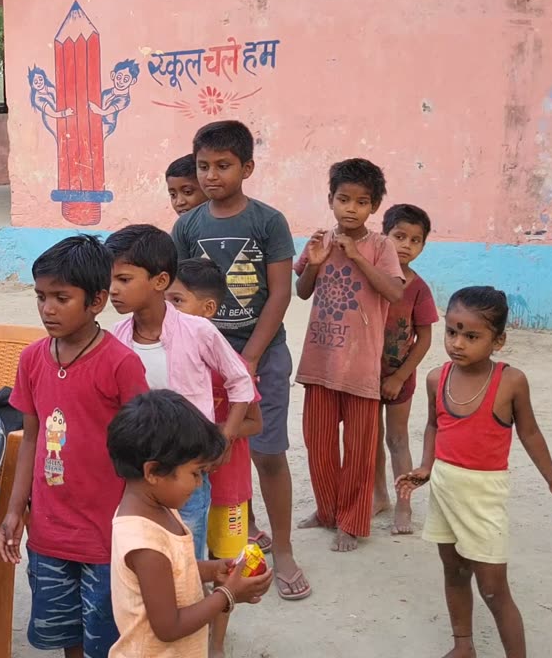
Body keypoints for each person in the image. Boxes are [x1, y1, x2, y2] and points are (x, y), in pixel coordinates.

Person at [170, 120, 310, 600]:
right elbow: (178, 293)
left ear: (246, 168)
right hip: (202, 360)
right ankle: (234, 538)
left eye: (223, 166)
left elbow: (278, 295)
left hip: (261, 355)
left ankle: (286, 550)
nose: (211, 176)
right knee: (211, 451)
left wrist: (248, 357)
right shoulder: (188, 226)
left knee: (268, 451)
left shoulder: (267, 222)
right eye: (204, 166)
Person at [397, 287, 552, 658]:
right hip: (445, 487)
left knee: (494, 589)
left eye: (472, 336)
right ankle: (463, 645)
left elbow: (529, 433)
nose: (458, 343)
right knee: (454, 570)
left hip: (483, 495)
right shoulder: (436, 378)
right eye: (452, 332)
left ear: (499, 341)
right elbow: (434, 426)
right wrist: (426, 466)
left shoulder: (510, 382)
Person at [0, 235, 149, 658]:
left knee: (108, 638)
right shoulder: (32, 359)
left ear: (97, 300)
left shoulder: (121, 364)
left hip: (106, 533)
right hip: (49, 530)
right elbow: (31, 438)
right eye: (41, 296)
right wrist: (14, 509)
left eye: (61, 297)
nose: (47, 308)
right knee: (67, 637)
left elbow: (140, 452)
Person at [104, 225, 256, 562]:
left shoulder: (198, 330)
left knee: (187, 555)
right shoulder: (115, 337)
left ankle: (190, 609)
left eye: (124, 280)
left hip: (187, 470)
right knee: (143, 551)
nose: (112, 290)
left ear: (159, 281)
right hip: (138, 472)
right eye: (110, 279)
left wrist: (225, 437)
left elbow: (240, 381)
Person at [107, 390, 273, 658]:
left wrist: (213, 570)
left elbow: (171, 570)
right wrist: (227, 594)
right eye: (195, 473)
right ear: (153, 472)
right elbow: (168, 627)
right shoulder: (145, 543)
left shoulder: (158, 507)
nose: (199, 483)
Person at [294, 158, 405, 553]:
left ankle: (353, 522)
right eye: (343, 199)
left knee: (359, 450)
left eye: (361, 202)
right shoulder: (320, 240)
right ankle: (326, 511)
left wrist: (357, 256)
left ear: (373, 207)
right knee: (319, 444)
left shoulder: (381, 246)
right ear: (331, 199)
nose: (351, 208)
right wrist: (315, 263)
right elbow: (303, 291)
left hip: (360, 367)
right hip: (320, 362)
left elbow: (394, 292)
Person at [166, 257, 264, 657]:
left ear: (208, 309)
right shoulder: (170, 358)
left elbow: (255, 423)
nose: (168, 311)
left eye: (177, 300)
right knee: (185, 563)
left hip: (227, 489)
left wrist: (218, 435)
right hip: (183, 487)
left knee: (224, 565)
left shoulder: (228, 361)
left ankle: (217, 644)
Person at [372, 204, 439, 535]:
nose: (406, 245)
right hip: (365, 377)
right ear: (383, 236)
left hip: (400, 379)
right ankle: (379, 496)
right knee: (369, 441)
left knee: (396, 439)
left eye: (415, 240)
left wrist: (399, 376)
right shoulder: (371, 277)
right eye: (399, 236)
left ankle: (404, 505)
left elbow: (425, 338)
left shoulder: (419, 288)